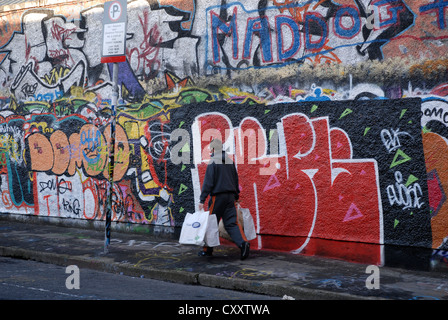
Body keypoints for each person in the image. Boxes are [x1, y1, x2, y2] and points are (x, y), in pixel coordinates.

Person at [198, 138, 250, 260]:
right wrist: (236, 196)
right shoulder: (230, 162)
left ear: (213, 149)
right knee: (232, 223)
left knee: (211, 223)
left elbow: (208, 183)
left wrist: (202, 199)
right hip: (230, 197)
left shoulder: (213, 162)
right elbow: (235, 180)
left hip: (218, 197)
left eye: (210, 148)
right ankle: (243, 244)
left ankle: (207, 250)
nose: (210, 150)